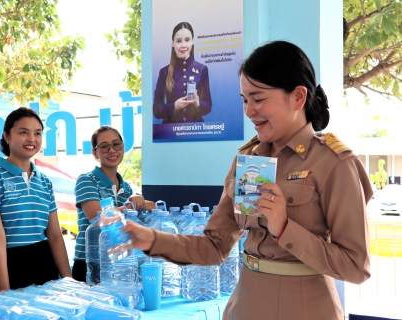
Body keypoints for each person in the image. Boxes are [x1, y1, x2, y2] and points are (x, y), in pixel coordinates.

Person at [122, 41, 373, 319]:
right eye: (244, 100)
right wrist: (151, 240)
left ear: (298, 97)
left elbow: (355, 266)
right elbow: (215, 247)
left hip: (305, 308)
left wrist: (285, 228)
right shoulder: (248, 161)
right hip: (245, 306)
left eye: (258, 98)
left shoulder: (334, 163)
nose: (249, 110)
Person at [0, 107, 72, 297]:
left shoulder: (45, 181)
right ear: (7, 136)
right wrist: (4, 293)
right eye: (23, 132)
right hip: (7, 266)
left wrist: (69, 281)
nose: (31, 139)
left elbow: (55, 236)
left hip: (44, 265)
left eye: (37, 133)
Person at [71, 126, 155, 282]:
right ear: (95, 153)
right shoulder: (86, 180)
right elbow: (96, 218)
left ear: (123, 147)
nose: (112, 150)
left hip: (118, 262)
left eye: (116, 144)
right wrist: (133, 205)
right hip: (89, 263)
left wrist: (142, 205)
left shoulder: (126, 187)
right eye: (104, 146)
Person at [153, 21, 212, 123]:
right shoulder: (164, 72)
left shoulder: (202, 69)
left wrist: (198, 103)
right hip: (170, 132)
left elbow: (208, 107)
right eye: (179, 41)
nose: (183, 45)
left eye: (187, 40)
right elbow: (156, 111)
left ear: (193, 41)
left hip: (197, 130)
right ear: (173, 43)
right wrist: (174, 106)